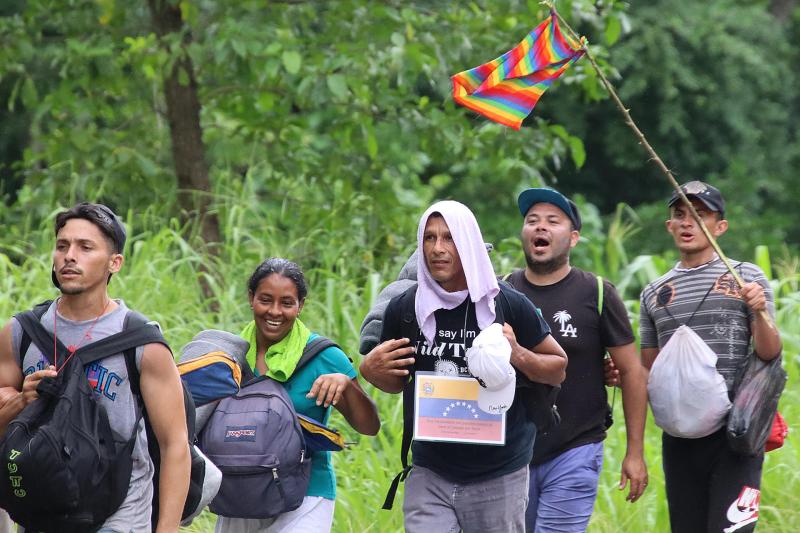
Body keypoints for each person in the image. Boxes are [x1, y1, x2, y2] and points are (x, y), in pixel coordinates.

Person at [360, 200, 567, 533]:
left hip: (499, 472)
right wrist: (370, 370)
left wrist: (517, 352)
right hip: (431, 471)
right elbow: (396, 381)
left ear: (468, 243)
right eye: (429, 238)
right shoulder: (404, 308)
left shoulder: (507, 303)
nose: (437, 249)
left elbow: (557, 367)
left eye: (449, 238)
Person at [0, 202, 191, 532]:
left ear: (114, 263)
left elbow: (175, 444)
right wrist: (22, 401)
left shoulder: (141, 342)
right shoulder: (22, 333)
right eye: (62, 246)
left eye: (85, 247)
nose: (69, 256)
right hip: (44, 510)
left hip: (120, 513)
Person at [639, 181, 781, 533]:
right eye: (679, 215)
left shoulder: (746, 277)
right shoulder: (654, 292)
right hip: (679, 436)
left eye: (700, 216)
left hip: (736, 433)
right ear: (669, 226)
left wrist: (759, 309)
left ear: (721, 227)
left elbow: (770, 351)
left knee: (732, 529)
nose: (688, 223)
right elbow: (648, 369)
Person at [504, 188, 648, 532]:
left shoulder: (597, 293)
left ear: (573, 238)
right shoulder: (502, 291)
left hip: (576, 447)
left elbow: (630, 371)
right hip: (511, 451)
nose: (540, 228)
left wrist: (635, 452)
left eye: (553, 221)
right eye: (532, 221)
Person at [216, 257, 380, 533]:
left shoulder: (324, 356)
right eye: (265, 300)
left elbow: (369, 426)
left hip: (307, 492)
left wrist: (346, 385)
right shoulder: (229, 354)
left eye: (287, 303)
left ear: (301, 305)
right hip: (240, 490)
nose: (275, 312)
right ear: (251, 298)